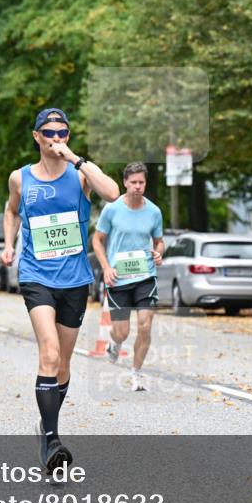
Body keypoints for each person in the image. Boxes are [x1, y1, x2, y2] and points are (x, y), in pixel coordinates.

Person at [0, 108, 119, 472]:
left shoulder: (80, 174)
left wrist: (77, 160)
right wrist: (9, 243)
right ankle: (52, 441)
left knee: (63, 364)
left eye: (63, 133)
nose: (56, 138)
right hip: (37, 276)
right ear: (36, 136)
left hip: (75, 280)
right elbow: (11, 211)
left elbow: (113, 193)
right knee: (49, 353)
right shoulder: (20, 178)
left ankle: (46, 425)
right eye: (49, 132)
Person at [92, 162, 165, 392]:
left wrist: (159, 253)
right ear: (125, 183)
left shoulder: (154, 211)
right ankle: (114, 344)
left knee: (145, 325)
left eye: (141, 182)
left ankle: (136, 373)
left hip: (145, 276)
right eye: (133, 182)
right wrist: (106, 268)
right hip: (119, 278)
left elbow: (159, 241)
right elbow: (97, 240)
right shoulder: (112, 209)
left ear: (146, 183)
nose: (137, 187)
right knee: (121, 331)